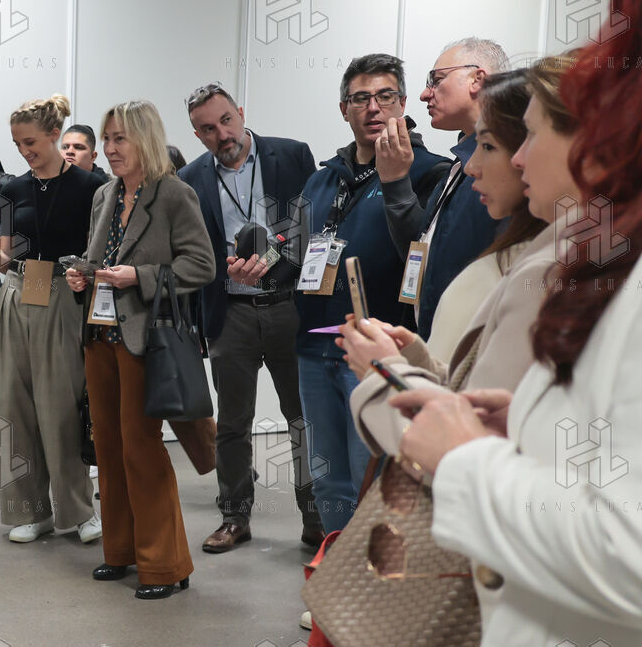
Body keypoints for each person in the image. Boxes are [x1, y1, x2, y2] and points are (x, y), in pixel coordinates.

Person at [388, 0, 642, 647]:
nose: (514, 156)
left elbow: (628, 547)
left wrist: (467, 461)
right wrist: (522, 428)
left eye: (528, 133)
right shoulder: (602, 260)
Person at [338, 59, 567, 647]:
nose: (484, 164)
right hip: (494, 580)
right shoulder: (544, 255)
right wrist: (422, 367)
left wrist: (385, 380)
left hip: (480, 586)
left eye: (509, 141)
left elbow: (458, 448)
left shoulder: (549, 271)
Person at [292, 54, 450, 535]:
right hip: (315, 346)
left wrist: (395, 180)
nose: (373, 107)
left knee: (375, 478)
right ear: (344, 109)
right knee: (328, 480)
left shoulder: (430, 173)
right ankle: (335, 567)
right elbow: (299, 250)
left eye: (385, 96)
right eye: (361, 98)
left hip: (379, 350)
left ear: (402, 103)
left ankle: (374, 578)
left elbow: (424, 256)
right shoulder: (323, 178)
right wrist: (264, 263)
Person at [66, 100, 215, 597]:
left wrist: (140, 276)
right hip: (99, 336)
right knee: (107, 448)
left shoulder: (174, 194)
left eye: (120, 139)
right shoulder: (104, 194)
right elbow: (97, 259)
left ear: (144, 139)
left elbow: (201, 265)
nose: (110, 149)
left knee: (141, 448)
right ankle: (120, 551)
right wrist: (82, 276)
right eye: (107, 139)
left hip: (144, 341)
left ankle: (165, 565)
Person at [179, 83, 324, 553]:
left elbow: (314, 227)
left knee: (302, 418)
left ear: (240, 112)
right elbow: (192, 252)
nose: (222, 134)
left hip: (289, 307)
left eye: (226, 120)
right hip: (231, 313)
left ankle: (316, 517)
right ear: (197, 135)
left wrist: (276, 257)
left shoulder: (292, 155)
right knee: (233, 423)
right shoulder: (190, 178)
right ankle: (234, 517)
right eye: (208, 129)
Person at [0, 94, 104, 544]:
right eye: (17, 144)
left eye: (30, 141)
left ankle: (78, 509)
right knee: (14, 405)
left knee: (61, 407)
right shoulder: (12, 190)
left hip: (64, 295)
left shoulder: (91, 187)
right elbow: (3, 258)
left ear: (54, 133)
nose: (24, 150)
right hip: (18, 289)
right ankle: (29, 511)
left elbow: (99, 253)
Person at [380, 38, 511, 340]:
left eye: (437, 80)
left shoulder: (506, 168)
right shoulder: (456, 167)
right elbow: (423, 252)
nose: (425, 94)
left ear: (478, 79)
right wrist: (395, 180)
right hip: (436, 342)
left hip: (473, 346)